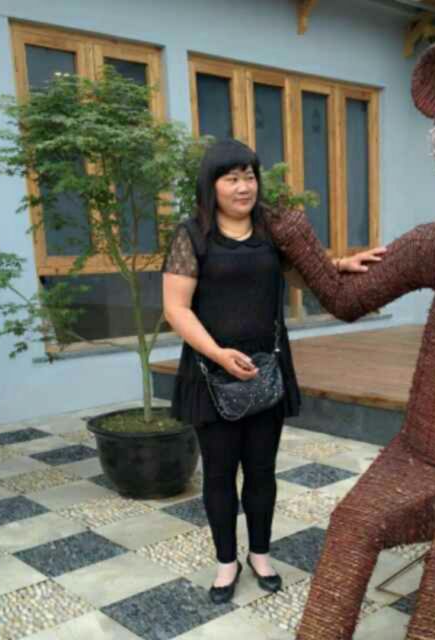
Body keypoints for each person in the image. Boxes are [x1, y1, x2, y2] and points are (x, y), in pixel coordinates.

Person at [162, 138, 386, 604]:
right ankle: (227, 562)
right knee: (220, 473)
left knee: (261, 470)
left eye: (249, 176)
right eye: (231, 178)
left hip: (266, 369)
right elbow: (176, 309)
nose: (243, 187)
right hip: (212, 372)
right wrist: (219, 353)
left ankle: (260, 554)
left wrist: (340, 265)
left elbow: (302, 273)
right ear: (211, 184)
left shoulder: (270, 229)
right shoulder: (192, 235)